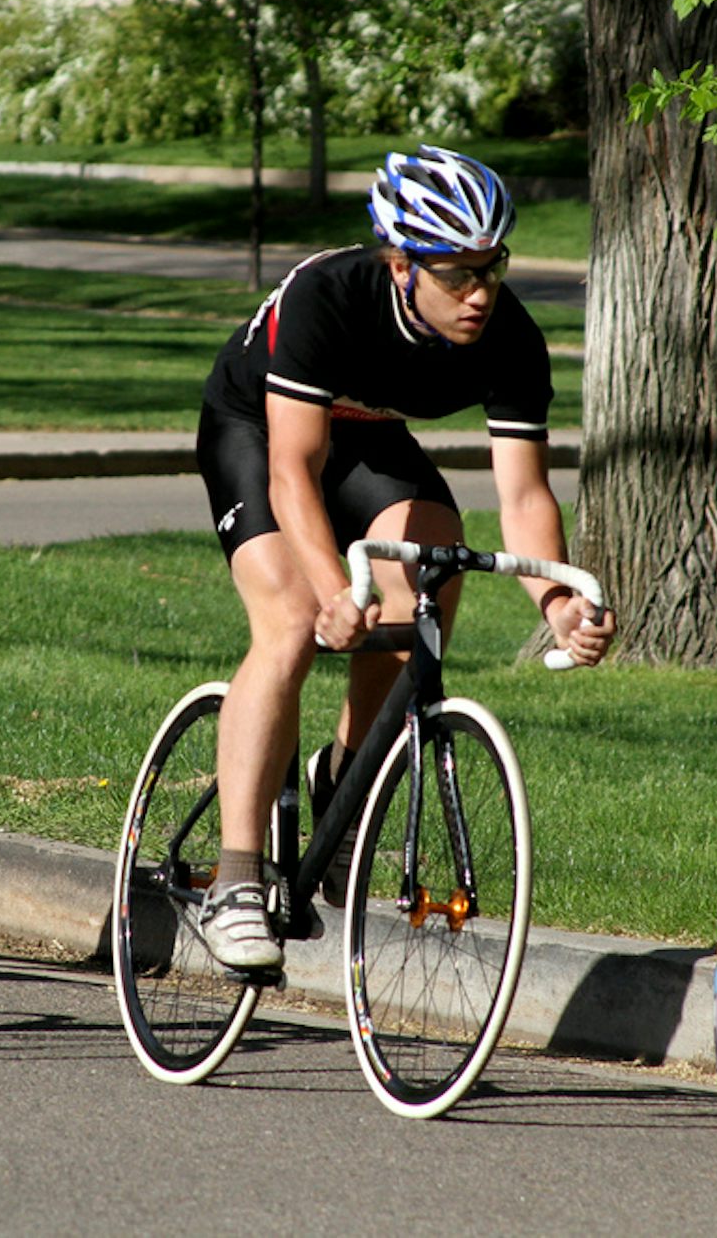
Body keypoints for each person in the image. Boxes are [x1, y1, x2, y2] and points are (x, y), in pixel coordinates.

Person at [193, 145, 615, 970]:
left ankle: (346, 785)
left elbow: (525, 497)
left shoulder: (511, 338)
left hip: (371, 435)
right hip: (259, 430)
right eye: (457, 274)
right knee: (287, 624)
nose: (481, 292)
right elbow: (291, 472)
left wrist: (556, 603)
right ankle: (236, 878)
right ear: (400, 264)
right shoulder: (329, 297)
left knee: (431, 569)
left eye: (492, 267)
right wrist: (330, 591)